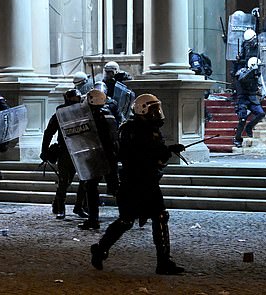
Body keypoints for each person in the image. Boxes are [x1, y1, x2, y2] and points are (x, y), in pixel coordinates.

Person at [90, 94, 185, 275]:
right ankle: (100, 249)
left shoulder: (151, 129)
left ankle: (164, 262)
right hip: (133, 182)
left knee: (160, 217)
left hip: (148, 181)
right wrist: (163, 153)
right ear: (142, 109)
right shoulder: (130, 129)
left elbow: (155, 153)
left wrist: (168, 151)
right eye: (153, 109)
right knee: (126, 221)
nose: (157, 113)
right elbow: (136, 155)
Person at [40, 88, 88, 220]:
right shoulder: (59, 114)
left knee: (85, 180)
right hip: (65, 151)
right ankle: (60, 208)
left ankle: (79, 206)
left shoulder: (84, 113)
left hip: (81, 149)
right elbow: (48, 132)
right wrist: (44, 150)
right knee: (64, 181)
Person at [78, 88, 119, 230]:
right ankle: (129, 213)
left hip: (97, 156)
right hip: (110, 156)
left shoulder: (91, 117)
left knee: (91, 186)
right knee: (115, 187)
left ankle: (93, 219)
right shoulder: (109, 114)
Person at [233, 57, 266, 148]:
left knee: (261, 113)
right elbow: (242, 78)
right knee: (242, 119)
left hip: (252, 98)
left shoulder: (257, 74)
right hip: (242, 98)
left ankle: (249, 127)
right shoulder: (242, 72)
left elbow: (259, 84)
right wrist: (252, 71)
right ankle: (237, 139)